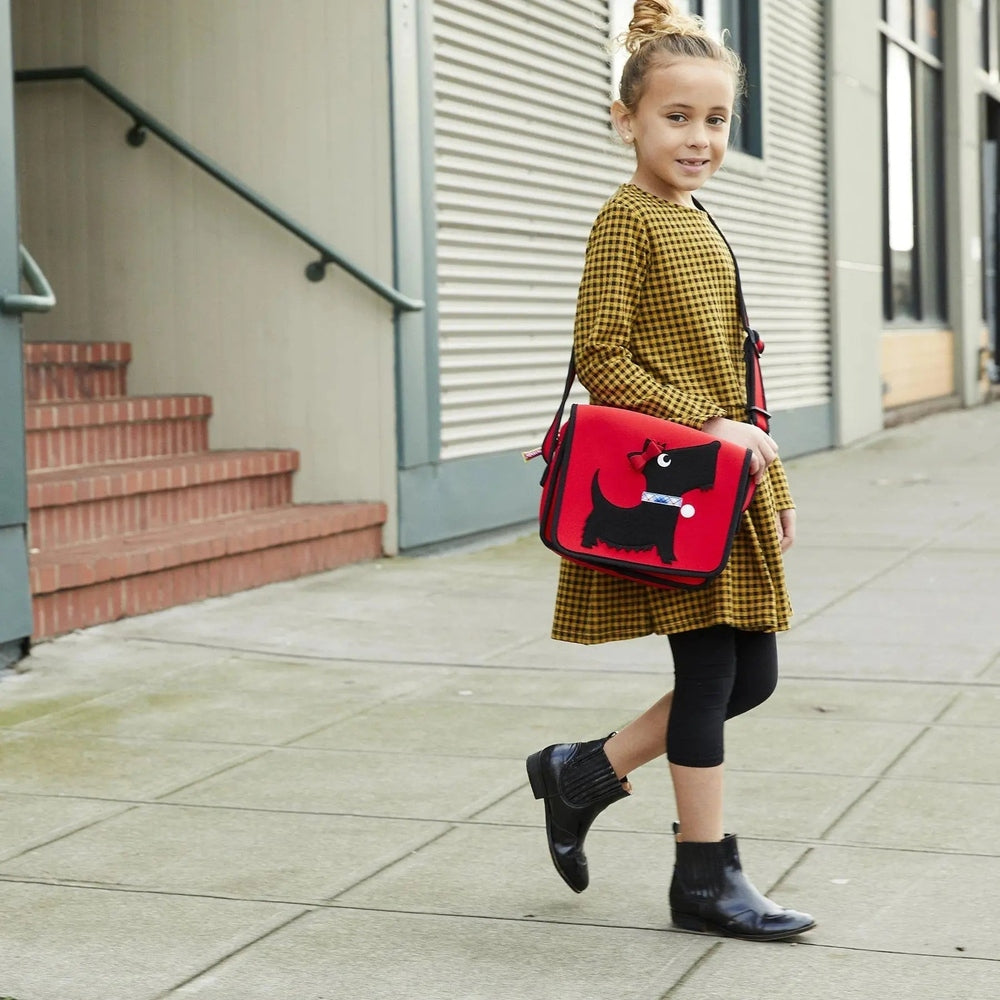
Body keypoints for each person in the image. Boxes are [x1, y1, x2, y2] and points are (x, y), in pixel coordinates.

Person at [525, 0, 814, 942]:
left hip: (722, 482)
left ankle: (581, 774)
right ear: (627, 121)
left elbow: (735, 367)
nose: (698, 138)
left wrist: (772, 482)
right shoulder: (627, 222)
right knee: (709, 676)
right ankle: (704, 877)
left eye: (716, 120)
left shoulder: (700, 219)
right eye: (676, 118)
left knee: (753, 678)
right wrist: (714, 428)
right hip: (674, 485)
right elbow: (601, 358)